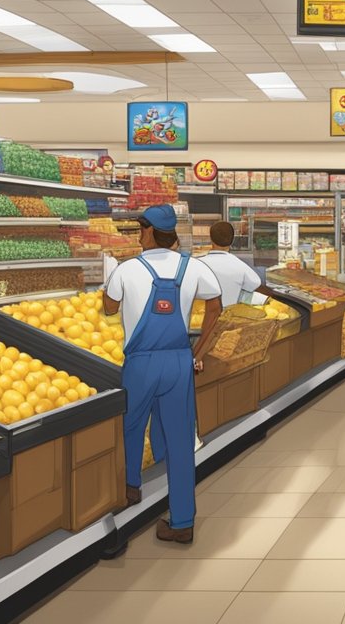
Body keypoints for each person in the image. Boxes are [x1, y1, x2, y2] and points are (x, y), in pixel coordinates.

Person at [104, 204, 223, 544]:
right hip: (178, 362)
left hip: (141, 363)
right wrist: (197, 352)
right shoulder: (194, 268)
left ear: (151, 231)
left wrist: (112, 280)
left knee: (129, 428)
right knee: (181, 439)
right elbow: (215, 307)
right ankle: (182, 521)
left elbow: (109, 307)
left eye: (140, 229)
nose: (138, 235)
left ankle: (130, 489)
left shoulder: (127, 270)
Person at [200, 221, 278, 307]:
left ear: (210, 238)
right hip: (231, 315)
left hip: (200, 316)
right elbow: (258, 288)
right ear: (232, 240)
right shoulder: (240, 266)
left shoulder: (198, 264)